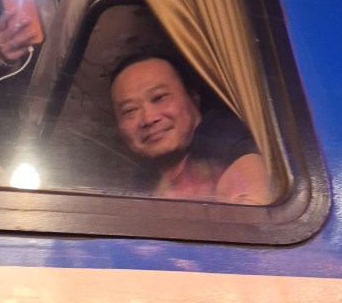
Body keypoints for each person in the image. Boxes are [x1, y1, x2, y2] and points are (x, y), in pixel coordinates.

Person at [109, 53, 271, 205]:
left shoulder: (219, 135)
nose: (148, 119)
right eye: (130, 110)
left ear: (193, 97)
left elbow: (253, 209)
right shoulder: (141, 181)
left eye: (159, 98)